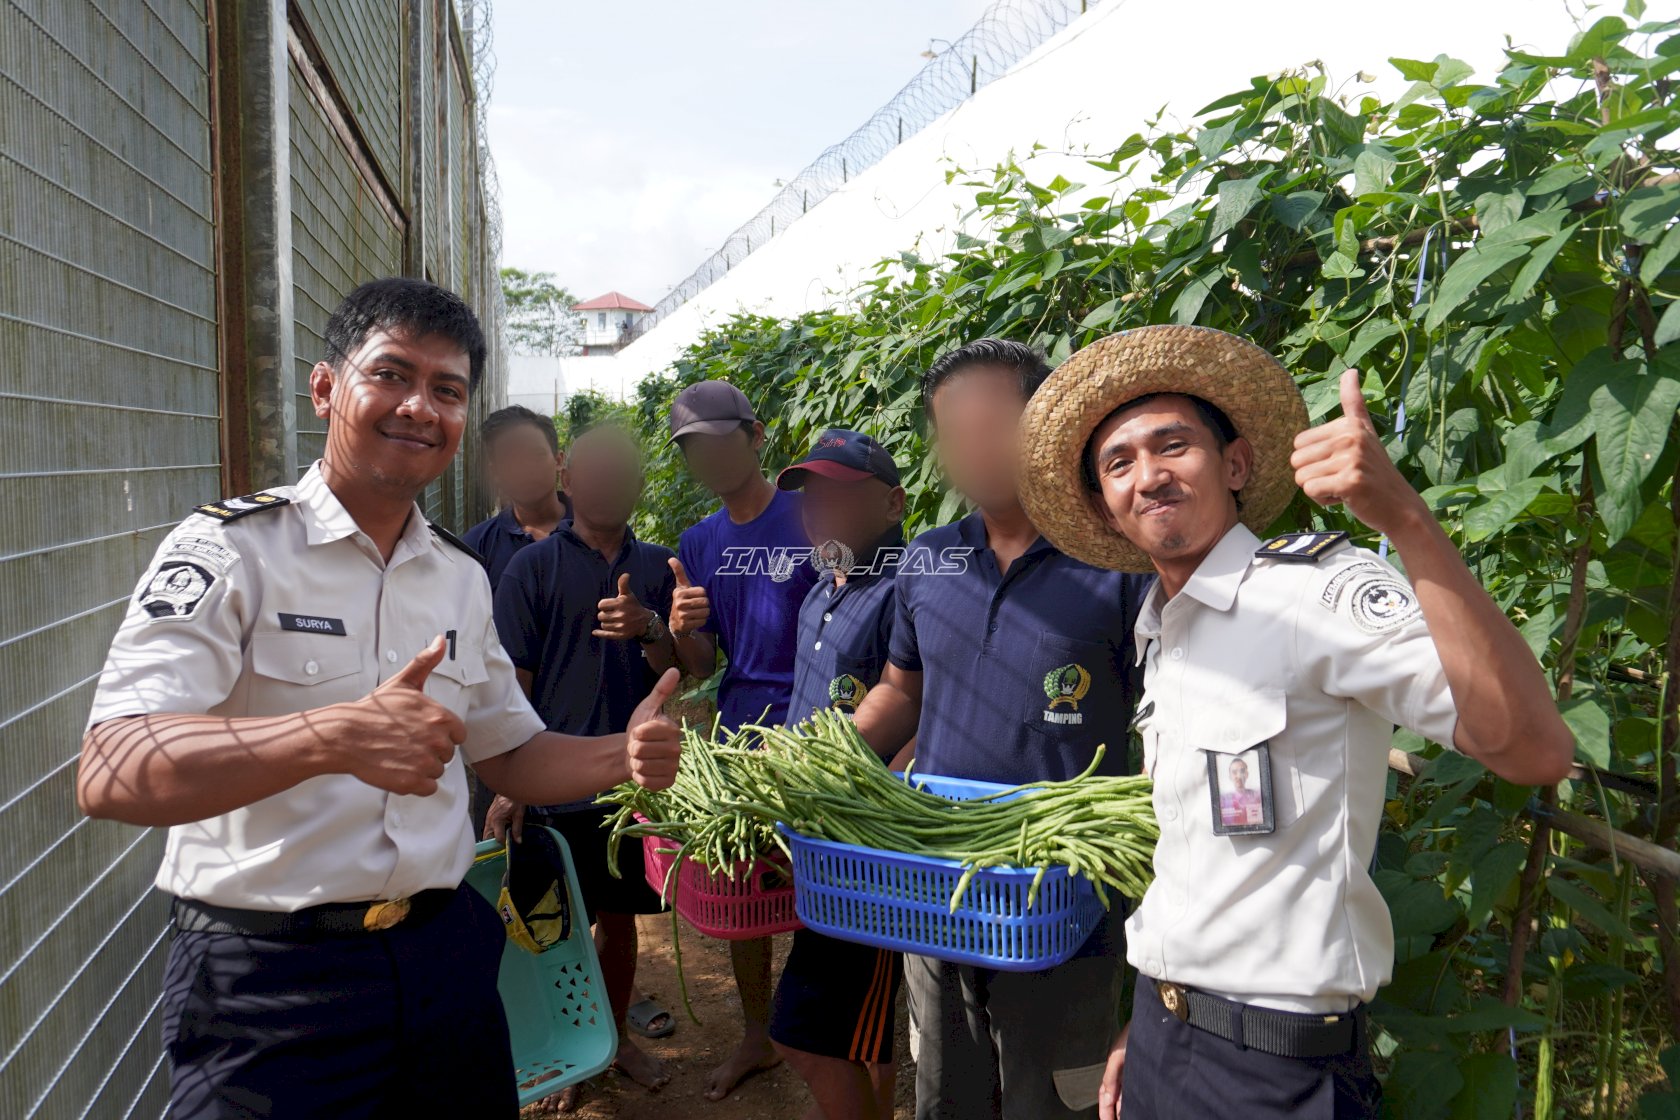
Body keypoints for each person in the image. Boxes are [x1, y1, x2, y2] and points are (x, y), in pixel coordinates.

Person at [76, 278, 683, 1120]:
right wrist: (332, 735)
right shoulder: (231, 552)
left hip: (444, 960)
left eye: (447, 390)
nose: (418, 407)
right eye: (391, 375)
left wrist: (625, 753)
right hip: (269, 985)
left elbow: (507, 750)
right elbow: (112, 770)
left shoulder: (461, 577)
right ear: (326, 388)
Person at [1012, 324, 1575, 1119]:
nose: (1150, 475)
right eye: (1119, 462)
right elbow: (1194, 855)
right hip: (1166, 1042)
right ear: (1106, 507)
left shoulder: (1315, 594)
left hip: (1279, 1073)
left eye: (1174, 446)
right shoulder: (1161, 629)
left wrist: (1405, 519)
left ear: (1237, 464)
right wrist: (1151, 1014)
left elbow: (1533, 748)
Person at [848, 339, 1152, 1120]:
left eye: (994, 423)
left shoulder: (1116, 562)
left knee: (1048, 1099)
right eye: (954, 431)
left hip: (1061, 895)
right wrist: (826, 760)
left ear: (1046, 426)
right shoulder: (928, 562)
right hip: (937, 885)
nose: (973, 447)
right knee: (947, 1087)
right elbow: (899, 692)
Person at [483, 424, 679, 1109]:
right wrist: (513, 787)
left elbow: (687, 669)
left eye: (624, 471)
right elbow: (514, 687)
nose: (609, 483)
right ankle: (563, 1051)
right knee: (552, 925)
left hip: (631, 789)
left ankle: (611, 1042)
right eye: (595, 471)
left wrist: (650, 626)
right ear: (568, 480)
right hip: (554, 780)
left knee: (621, 921)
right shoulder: (531, 570)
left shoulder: (658, 566)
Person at [665, 379, 821, 1100]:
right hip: (739, 731)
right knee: (748, 891)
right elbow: (703, 665)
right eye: (695, 449)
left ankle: (825, 1035)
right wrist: (681, 628)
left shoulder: (811, 516)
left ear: (755, 438)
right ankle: (759, 1034)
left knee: (822, 885)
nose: (710, 457)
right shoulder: (699, 542)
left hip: (823, 730)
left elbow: (865, 614)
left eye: (722, 441)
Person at [768, 429, 908, 1120]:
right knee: (863, 1037)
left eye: (838, 497)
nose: (818, 514)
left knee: (808, 1036)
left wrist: (874, 802)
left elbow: (924, 717)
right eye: (811, 500)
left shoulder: (908, 592)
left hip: (866, 857)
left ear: (891, 503)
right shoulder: (821, 591)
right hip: (816, 843)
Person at [463, 405, 572, 590]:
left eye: (535, 455)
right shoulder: (476, 548)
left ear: (558, 461)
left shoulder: (599, 530)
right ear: (495, 471)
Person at [1219, 757, 1262, 828]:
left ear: (1247, 774)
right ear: (1230, 776)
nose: (1238, 776)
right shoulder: (1223, 801)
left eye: (1242, 771)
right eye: (1234, 772)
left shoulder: (1258, 796)